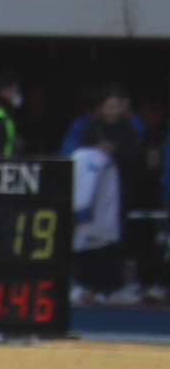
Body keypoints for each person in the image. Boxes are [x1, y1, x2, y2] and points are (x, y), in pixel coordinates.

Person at [74, 121, 127, 302]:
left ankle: (89, 288)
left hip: (97, 218)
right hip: (96, 217)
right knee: (96, 252)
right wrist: (82, 207)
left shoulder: (78, 155)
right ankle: (96, 290)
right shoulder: (96, 158)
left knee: (88, 250)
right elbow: (87, 182)